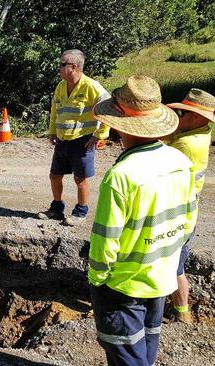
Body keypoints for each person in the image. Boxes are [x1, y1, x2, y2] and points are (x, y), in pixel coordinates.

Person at [89, 75, 197, 366]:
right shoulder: (180, 162)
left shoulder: (122, 176)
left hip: (123, 286)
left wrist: (98, 280)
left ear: (116, 123)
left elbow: (105, 239)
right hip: (159, 277)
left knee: (126, 355)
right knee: (146, 346)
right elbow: (187, 222)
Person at [38, 49, 111, 226]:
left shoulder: (91, 86)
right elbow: (55, 110)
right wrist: (53, 131)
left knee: (80, 179)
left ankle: (80, 212)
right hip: (62, 140)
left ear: (74, 67)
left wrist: (100, 135)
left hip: (82, 141)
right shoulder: (61, 86)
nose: (59, 68)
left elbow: (108, 108)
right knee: (55, 175)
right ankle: (56, 209)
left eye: (63, 65)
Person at [164, 89, 215, 324]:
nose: (178, 117)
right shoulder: (201, 132)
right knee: (176, 263)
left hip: (176, 213)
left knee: (175, 265)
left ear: (197, 117)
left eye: (182, 113)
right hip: (187, 210)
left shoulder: (185, 144)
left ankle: (181, 313)